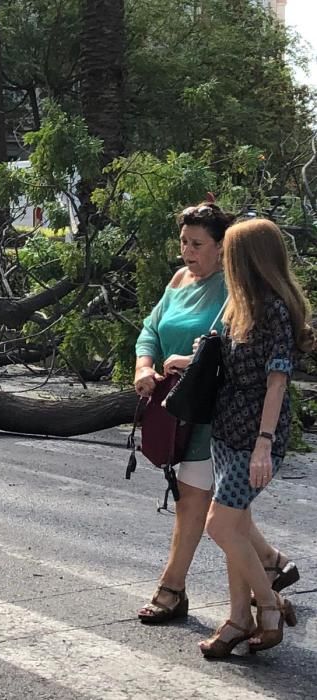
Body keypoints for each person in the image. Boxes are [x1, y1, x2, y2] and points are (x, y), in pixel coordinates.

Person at [133, 203, 298, 625]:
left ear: (224, 247)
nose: (187, 251)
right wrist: (146, 366)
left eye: (197, 244)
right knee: (225, 511)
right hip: (184, 406)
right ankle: (270, 568)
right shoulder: (179, 280)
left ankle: (176, 589)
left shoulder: (238, 289)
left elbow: (237, 358)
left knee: (200, 505)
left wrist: (264, 441)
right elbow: (152, 328)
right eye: (184, 242)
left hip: (220, 415)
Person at [197, 218, 312, 658]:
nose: (223, 259)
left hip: (254, 435)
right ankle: (237, 619)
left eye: (229, 252)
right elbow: (220, 358)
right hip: (226, 430)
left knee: (220, 525)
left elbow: (278, 380)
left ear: (247, 258)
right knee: (237, 529)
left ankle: (268, 606)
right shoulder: (236, 304)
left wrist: (264, 443)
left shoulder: (274, 310)